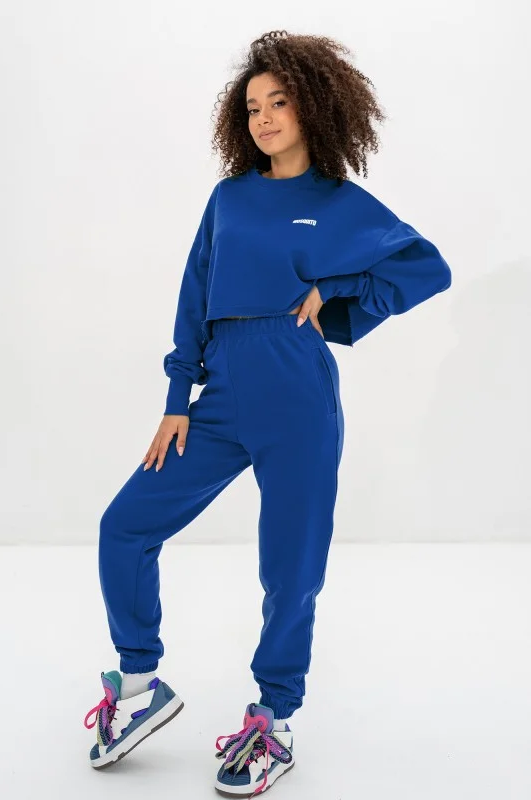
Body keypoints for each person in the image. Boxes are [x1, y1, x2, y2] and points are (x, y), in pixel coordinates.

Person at [83, 29, 451, 797]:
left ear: (313, 106)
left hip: (298, 395)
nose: (265, 117)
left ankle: (273, 722)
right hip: (218, 398)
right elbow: (193, 297)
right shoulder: (229, 199)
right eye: (253, 106)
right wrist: (177, 400)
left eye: (280, 102)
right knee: (124, 527)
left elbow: (427, 267)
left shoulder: (340, 203)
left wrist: (339, 293)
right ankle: (141, 685)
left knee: (289, 571)